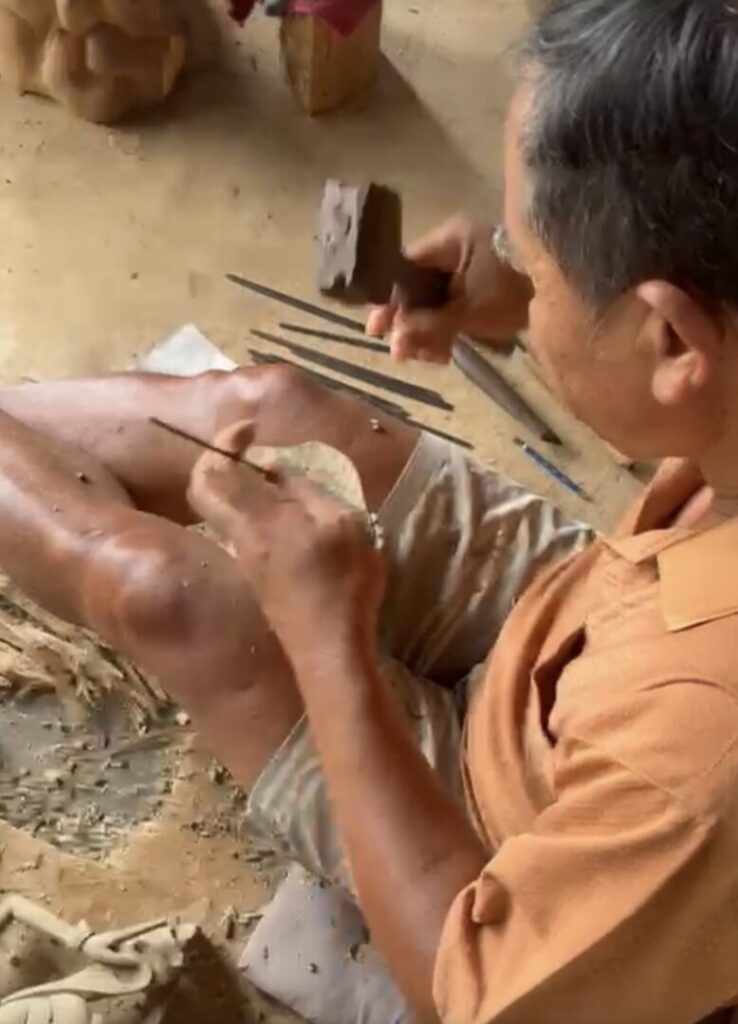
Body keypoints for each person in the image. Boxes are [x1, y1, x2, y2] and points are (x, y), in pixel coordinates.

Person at [2, 0, 738, 1021]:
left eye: (540, 264)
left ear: (672, 342)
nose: (517, 270)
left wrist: (329, 643)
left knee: (172, 596)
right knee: (273, 409)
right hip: (590, 620)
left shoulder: (700, 767)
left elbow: (469, 992)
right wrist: (520, 293)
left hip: (497, 843)